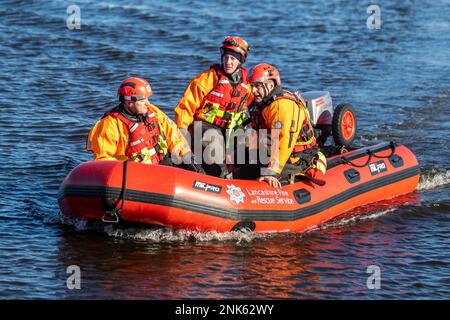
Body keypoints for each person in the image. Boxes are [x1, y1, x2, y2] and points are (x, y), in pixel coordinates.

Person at [86, 77, 203, 173]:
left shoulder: (153, 112)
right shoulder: (110, 124)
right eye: (142, 100)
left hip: (162, 164)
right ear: (129, 102)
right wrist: (128, 169)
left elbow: (173, 135)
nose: (148, 103)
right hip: (135, 173)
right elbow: (103, 159)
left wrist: (187, 157)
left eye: (147, 99)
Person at [174, 36, 253, 177]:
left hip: (232, 130)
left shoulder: (247, 84)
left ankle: (245, 179)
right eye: (226, 57)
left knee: (250, 148)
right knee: (214, 145)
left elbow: (257, 103)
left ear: (240, 61)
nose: (228, 62)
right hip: (203, 126)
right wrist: (182, 129)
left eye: (233, 59)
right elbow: (186, 105)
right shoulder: (208, 78)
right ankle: (222, 179)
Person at [240, 63, 327, 188]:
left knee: (255, 175)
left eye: (257, 86)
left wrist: (272, 173)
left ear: (270, 85)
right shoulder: (262, 104)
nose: (253, 91)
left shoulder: (282, 106)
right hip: (271, 153)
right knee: (240, 163)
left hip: (297, 157)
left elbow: (284, 142)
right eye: (252, 86)